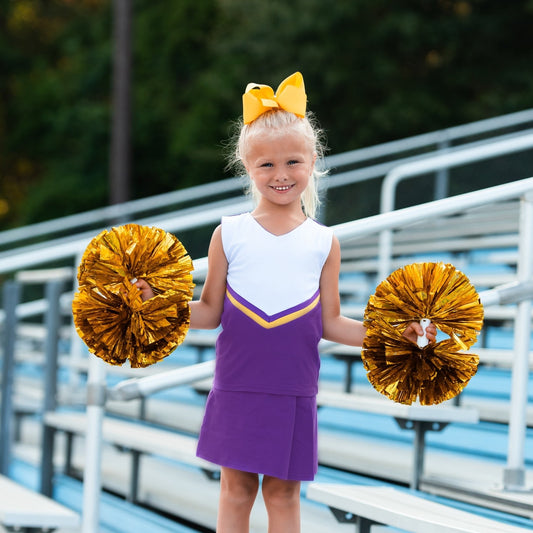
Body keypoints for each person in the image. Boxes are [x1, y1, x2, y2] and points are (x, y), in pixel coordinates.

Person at [136, 72, 435, 533]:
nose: (280, 175)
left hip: (293, 389)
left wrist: (396, 330)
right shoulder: (228, 234)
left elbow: (332, 323)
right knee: (236, 491)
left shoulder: (323, 241)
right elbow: (209, 312)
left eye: (293, 162)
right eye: (266, 166)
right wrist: (157, 304)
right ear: (247, 168)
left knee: (283, 493)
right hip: (236, 384)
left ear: (313, 162)